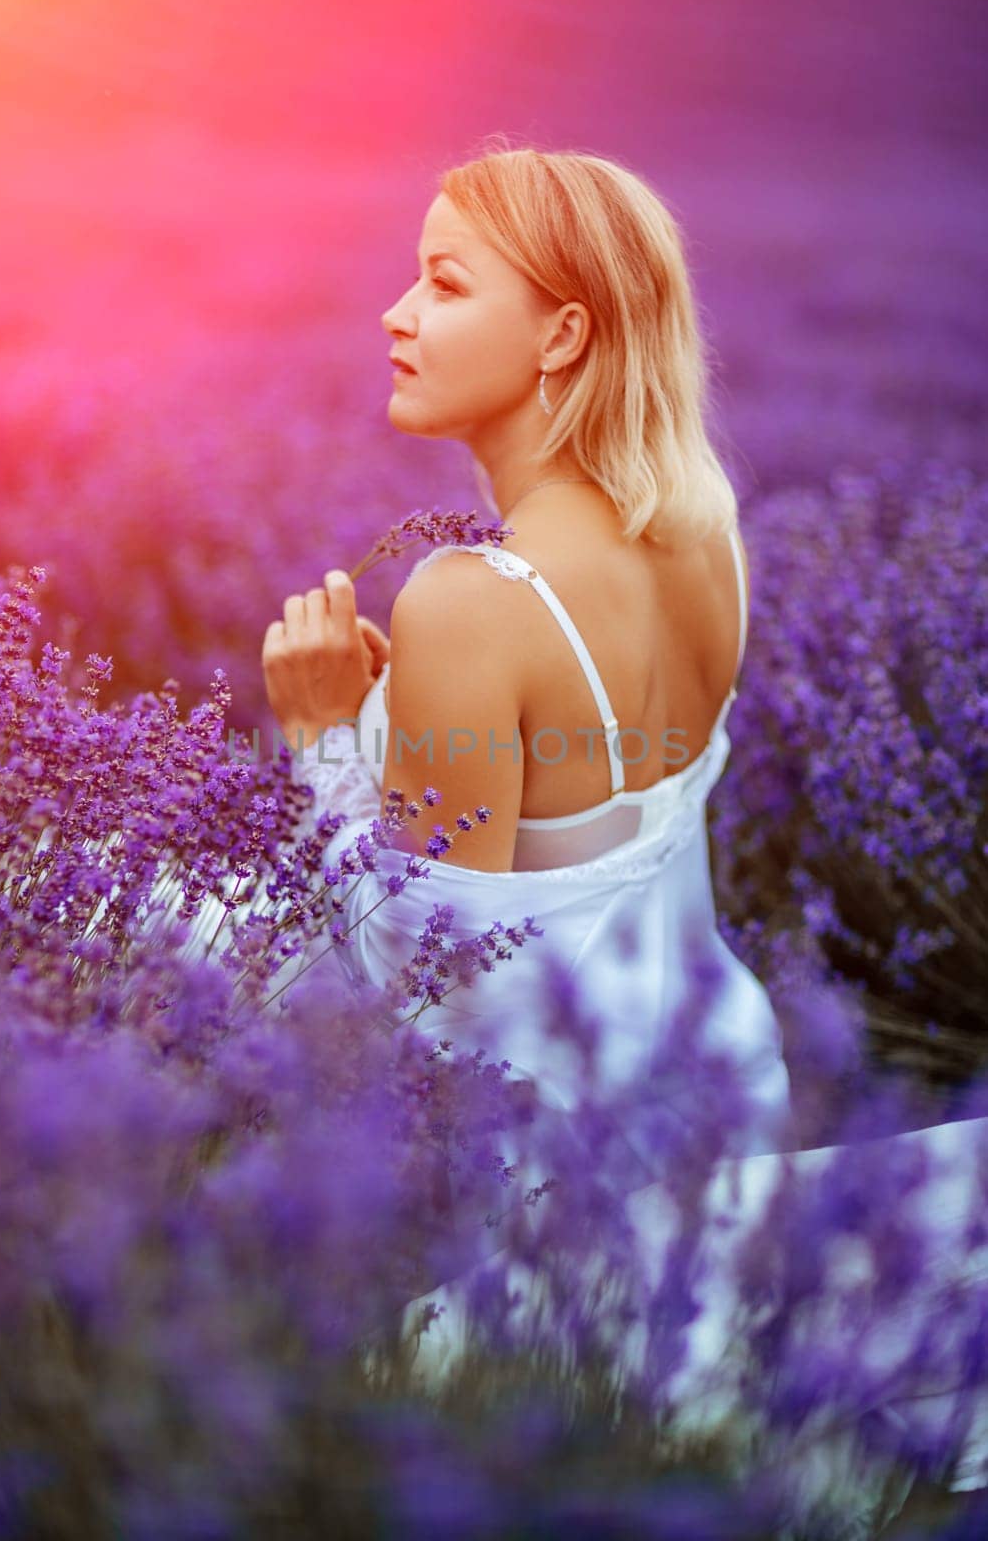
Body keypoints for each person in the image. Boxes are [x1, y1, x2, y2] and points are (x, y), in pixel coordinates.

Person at [260, 146, 988, 1508]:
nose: (394, 313)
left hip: (572, 1185)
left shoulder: (466, 606)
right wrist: (397, 732)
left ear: (565, 332)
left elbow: (430, 983)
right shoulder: (700, 527)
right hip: (723, 1092)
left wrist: (322, 736)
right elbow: (573, 847)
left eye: (443, 281)